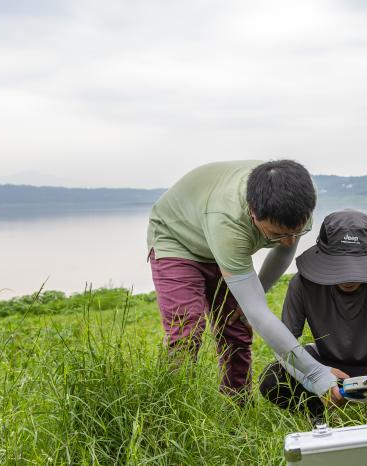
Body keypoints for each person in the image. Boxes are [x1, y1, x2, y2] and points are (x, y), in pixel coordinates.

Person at [146, 159, 345, 402]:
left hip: (218, 233)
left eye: (296, 232)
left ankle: (237, 403)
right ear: (252, 211)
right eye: (276, 234)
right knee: (186, 331)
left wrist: (255, 293)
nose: (289, 241)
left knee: (236, 325)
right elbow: (257, 311)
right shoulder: (228, 220)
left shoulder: (299, 196)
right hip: (177, 238)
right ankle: (172, 406)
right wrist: (317, 374)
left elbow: (283, 252)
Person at [259, 209, 367, 420]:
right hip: (324, 361)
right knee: (272, 379)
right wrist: (316, 379)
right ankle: (318, 412)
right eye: (338, 266)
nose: (348, 277)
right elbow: (284, 347)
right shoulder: (302, 284)